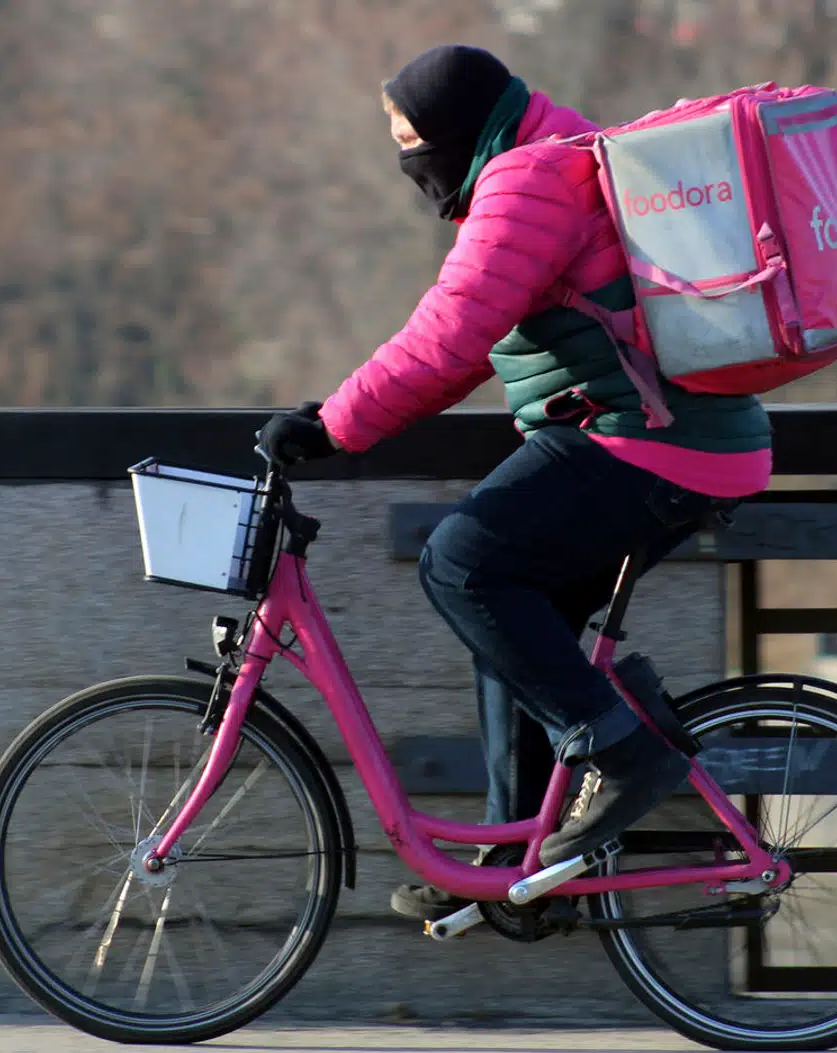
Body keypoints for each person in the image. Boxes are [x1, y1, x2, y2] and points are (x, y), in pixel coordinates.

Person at [257, 44, 773, 923]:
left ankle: (623, 751)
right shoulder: (541, 159)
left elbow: (449, 337)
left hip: (650, 442)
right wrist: (342, 412)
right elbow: (462, 354)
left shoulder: (529, 183)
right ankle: (523, 862)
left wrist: (335, 424)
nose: (406, 162)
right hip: (660, 437)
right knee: (505, 617)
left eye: (410, 139)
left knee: (461, 562)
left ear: (458, 131)